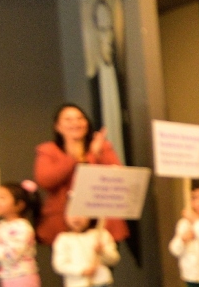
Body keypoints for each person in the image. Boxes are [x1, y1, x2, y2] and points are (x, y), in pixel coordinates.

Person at [33, 104, 128, 245]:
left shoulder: (102, 147)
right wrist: (73, 159)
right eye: (68, 119)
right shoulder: (48, 150)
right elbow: (45, 180)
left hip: (101, 221)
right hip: (63, 223)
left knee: (103, 266)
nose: (75, 123)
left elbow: (117, 180)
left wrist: (96, 155)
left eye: (80, 118)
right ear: (58, 127)